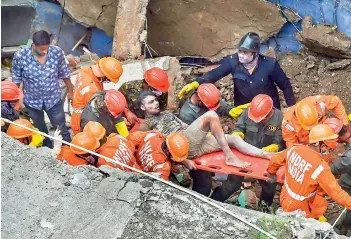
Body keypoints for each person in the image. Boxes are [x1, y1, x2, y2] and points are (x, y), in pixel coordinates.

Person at [137, 91, 272, 201]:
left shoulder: (166, 113)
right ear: (143, 108)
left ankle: (265, 154)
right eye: (150, 102)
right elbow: (160, 147)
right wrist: (184, 161)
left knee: (234, 139)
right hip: (181, 146)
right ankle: (229, 156)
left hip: (192, 140)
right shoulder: (145, 125)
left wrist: (204, 133)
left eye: (155, 100)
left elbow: (185, 126)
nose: (155, 103)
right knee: (211, 115)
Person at [178, 32, 296, 110]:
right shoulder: (232, 61)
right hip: (244, 110)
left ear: (255, 52)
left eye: (245, 52)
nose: (241, 55)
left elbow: (285, 86)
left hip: (269, 109)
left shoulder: (270, 64)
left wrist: (292, 108)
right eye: (240, 51)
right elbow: (215, 74)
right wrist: (197, 83)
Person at [267, 124, 351, 219]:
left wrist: (271, 172)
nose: (329, 152)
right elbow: (337, 193)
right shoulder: (321, 168)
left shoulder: (295, 149)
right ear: (323, 146)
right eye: (329, 149)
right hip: (301, 209)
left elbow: (275, 159)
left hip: (285, 197)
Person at [11, 30, 73, 148]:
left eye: (47, 48)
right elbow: (16, 80)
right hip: (32, 102)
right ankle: (47, 150)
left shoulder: (57, 52)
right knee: (40, 129)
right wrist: (17, 100)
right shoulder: (21, 56)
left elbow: (65, 74)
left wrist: (71, 92)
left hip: (53, 100)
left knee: (61, 128)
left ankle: (67, 150)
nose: (45, 52)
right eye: (41, 49)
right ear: (34, 45)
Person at [232, 94, 284, 211]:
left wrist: (272, 148)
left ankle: (264, 208)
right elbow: (239, 128)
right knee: (232, 181)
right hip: (246, 155)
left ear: (269, 112)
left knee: (270, 183)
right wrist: (237, 136)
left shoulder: (279, 117)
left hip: (266, 159)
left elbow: (280, 141)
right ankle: (218, 199)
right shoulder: (248, 112)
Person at [70, 57, 129, 134]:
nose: (107, 81)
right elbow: (99, 111)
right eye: (108, 79)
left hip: (81, 113)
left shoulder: (86, 70)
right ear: (104, 75)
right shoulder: (92, 89)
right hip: (83, 119)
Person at [282, 95, 349, 148]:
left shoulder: (318, 103)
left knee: (341, 128)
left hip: (324, 130)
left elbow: (336, 102)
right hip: (308, 144)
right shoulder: (288, 125)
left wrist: (345, 123)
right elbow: (292, 145)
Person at [179, 83, 250, 125]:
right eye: (209, 107)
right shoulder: (186, 115)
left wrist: (230, 110)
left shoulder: (208, 97)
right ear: (198, 100)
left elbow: (219, 105)